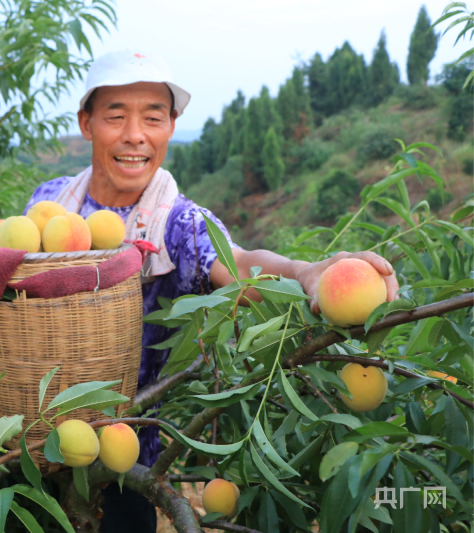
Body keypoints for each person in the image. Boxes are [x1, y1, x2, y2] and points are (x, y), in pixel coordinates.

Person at [23, 49, 400, 532]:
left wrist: (307, 272)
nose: (135, 134)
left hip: (120, 453)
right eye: (116, 116)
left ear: (172, 126)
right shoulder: (50, 203)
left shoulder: (178, 223)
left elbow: (240, 266)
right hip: (30, 435)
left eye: (153, 117)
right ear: (87, 123)